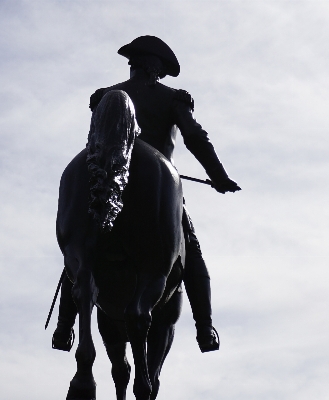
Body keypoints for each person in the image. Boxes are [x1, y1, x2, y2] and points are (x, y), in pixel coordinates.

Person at [52, 35, 240, 353]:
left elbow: (95, 145)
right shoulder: (172, 98)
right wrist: (218, 177)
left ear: (134, 64)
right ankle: (205, 328)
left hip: (107, 176)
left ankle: (64, 329)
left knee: (81, 249)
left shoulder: (104, 97)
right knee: (191, 250)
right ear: (155, 68)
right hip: (159, 196)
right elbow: (193, 136)